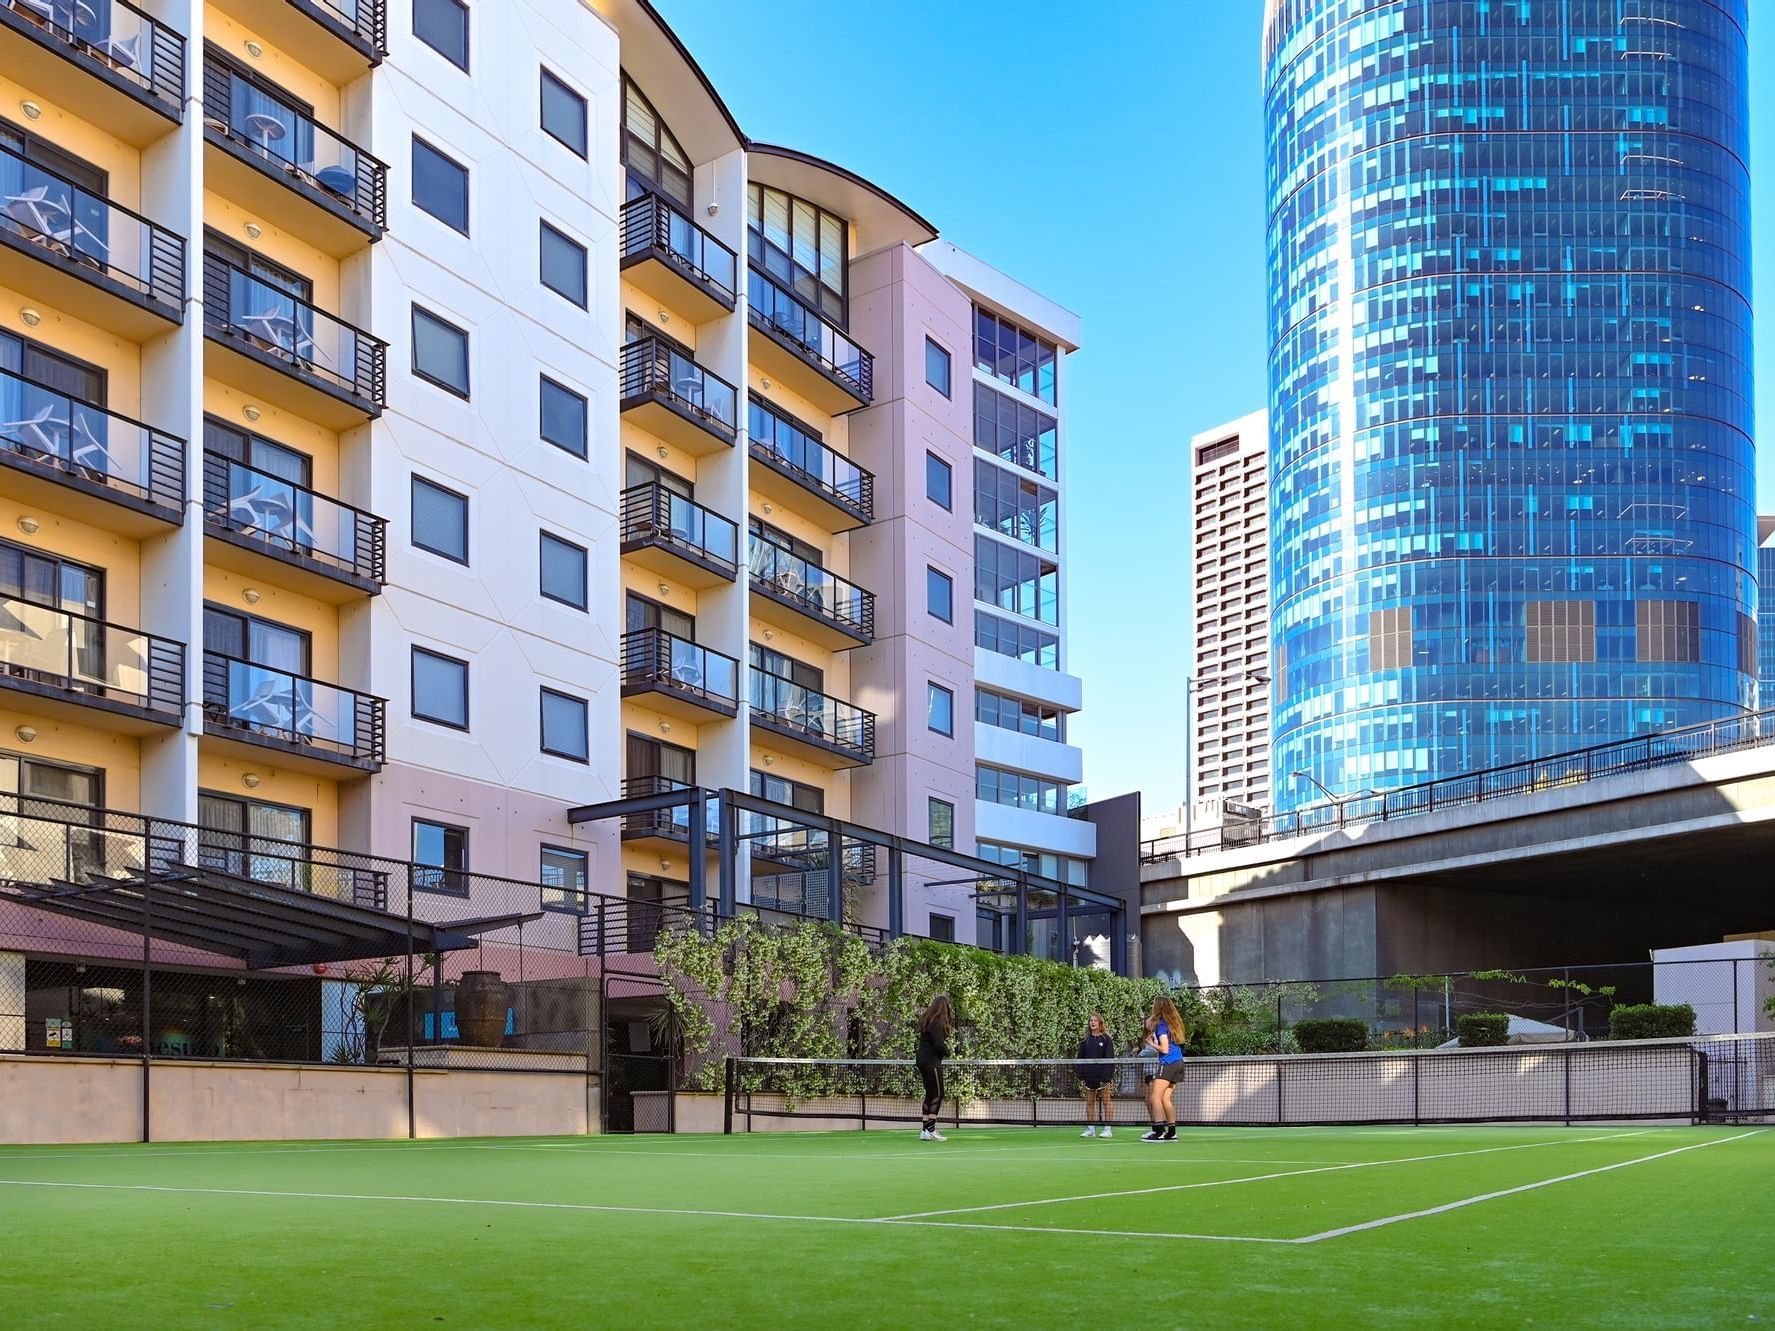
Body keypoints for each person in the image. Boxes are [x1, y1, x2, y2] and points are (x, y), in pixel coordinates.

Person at [1140, 995, 1187, 1142]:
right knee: (1166, 1098)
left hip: (1168, 1062)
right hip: (1179, 1062)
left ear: (1158, 1007)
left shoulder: (1161, 1025)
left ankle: (1159, 1131)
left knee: (1155, 1097)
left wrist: (1151, 1043)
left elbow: (1165, 1049)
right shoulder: (1171, 1024)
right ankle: (1171, 1132)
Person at [916, 993, 954, 1141]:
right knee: (938, 1094)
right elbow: (938, 1045)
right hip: (931, 1062)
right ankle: (931, 1129)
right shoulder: (937, 1023)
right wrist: (947, 1051)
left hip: (922, 1060)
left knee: (930, 1094)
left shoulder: (927, 1022)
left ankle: (925, 1129)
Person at [1076, 1013, 1116, 1138]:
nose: (1092, 1023)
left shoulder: (1106, 1039)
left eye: (1095, 1021)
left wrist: (1106, 1077)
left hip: (1103, 1077)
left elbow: (1110, 1059)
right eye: (1091, 1021)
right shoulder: (1085, 1041)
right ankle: (1091, 1128)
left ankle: (1108, 1128)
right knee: (1090, 1102)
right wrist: (1081, 1075)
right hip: (1089, 1076)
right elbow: (1080, 1059)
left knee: (1106, 1101)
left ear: (1100, 1023)